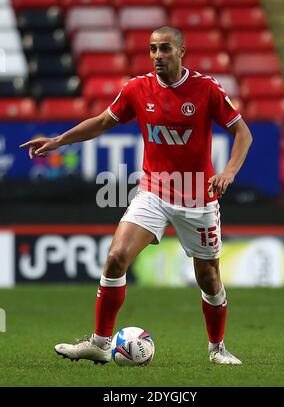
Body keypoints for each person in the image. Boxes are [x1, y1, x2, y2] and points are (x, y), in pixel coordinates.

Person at [20, 26, 252, 365]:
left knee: (209, 277)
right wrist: (58, 141)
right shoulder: (136, 88)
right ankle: (100, 343)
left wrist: (229, 171)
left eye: (165, 49)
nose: (158, 56)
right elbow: (101, 123)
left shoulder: (206, 89)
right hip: (153, 192)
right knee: (116, 258)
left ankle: (217, 348)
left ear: (181, 51)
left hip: (197, 198)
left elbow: (242, 133)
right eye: (153, 49)